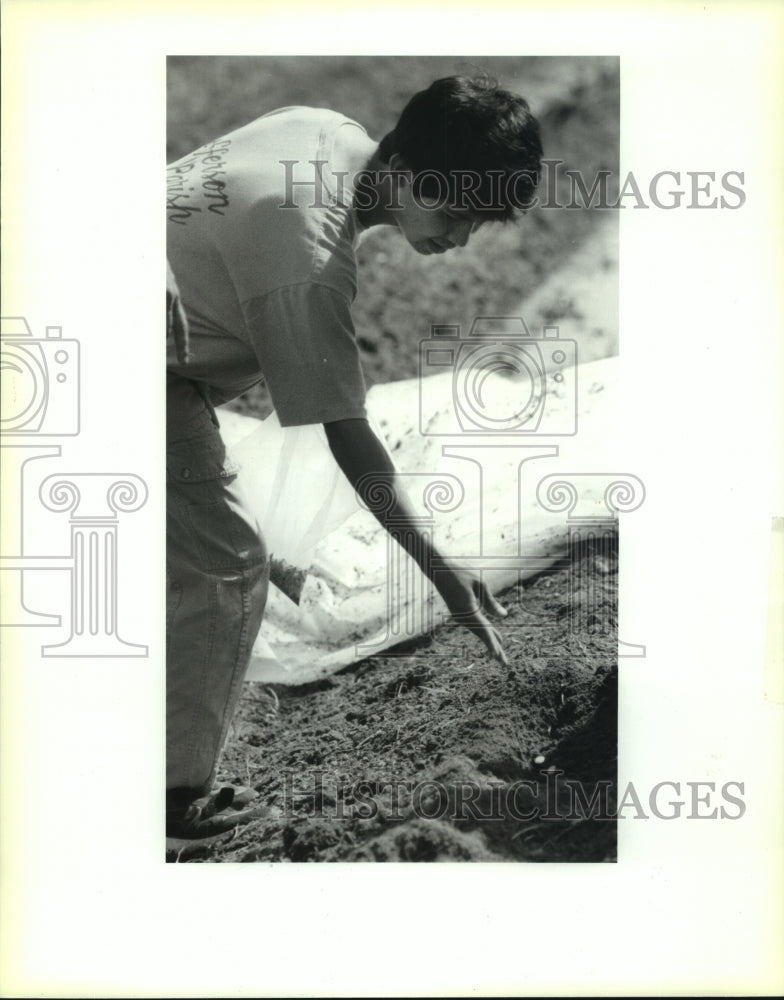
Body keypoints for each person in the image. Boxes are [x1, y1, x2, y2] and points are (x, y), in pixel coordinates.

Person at [165, 74, 543, 840]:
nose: (461, 238)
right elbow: (346, 435)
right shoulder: (307, 258)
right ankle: (175, 801)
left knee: (196, 519)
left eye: (477, 222)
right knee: (229, 561)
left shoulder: (327, 130)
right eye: (456, 212)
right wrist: (441, 570)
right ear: (403, 172)